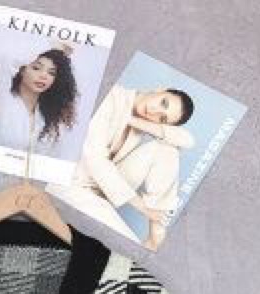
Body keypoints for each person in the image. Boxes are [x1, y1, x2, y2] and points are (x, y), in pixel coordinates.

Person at [59, 84, 196, 250]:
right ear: (161, 89)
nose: (154, 112)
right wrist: (144, 209)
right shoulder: (111, 96)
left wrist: (132, 120)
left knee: (167, 149)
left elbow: (187, 140)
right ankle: (150, 235)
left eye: (162, 118)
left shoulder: (140, 119)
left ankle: (156, 228)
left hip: (104, 187)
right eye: (163, 102)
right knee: (130, 246)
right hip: (72, 185)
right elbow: (95, 160)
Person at [0, 45, 79, 156]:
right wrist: (54, 46)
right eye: (36, 68)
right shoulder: (0, 100)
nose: (44, 76)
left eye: (51, 73)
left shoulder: (51, 119)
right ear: (22, 69)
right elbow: (7, 59)